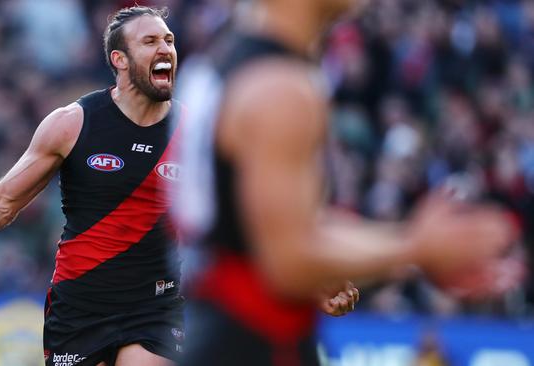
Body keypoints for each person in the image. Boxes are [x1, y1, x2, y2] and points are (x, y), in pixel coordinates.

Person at [173, 0, 518, 365]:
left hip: (221, 324)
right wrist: (414, 248)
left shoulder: (225, 59)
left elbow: (281, 233)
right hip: (249, 340)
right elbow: (288, 262)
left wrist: (410, 249)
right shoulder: (280, 87)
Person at [0, 6, 183, 366]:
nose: (165, 49)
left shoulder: (193, 128)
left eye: (168, 40)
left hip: (155, 306)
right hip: (80, 306)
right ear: (119, 59)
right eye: (150, 41)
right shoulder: (72, 124)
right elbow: (2, 203)